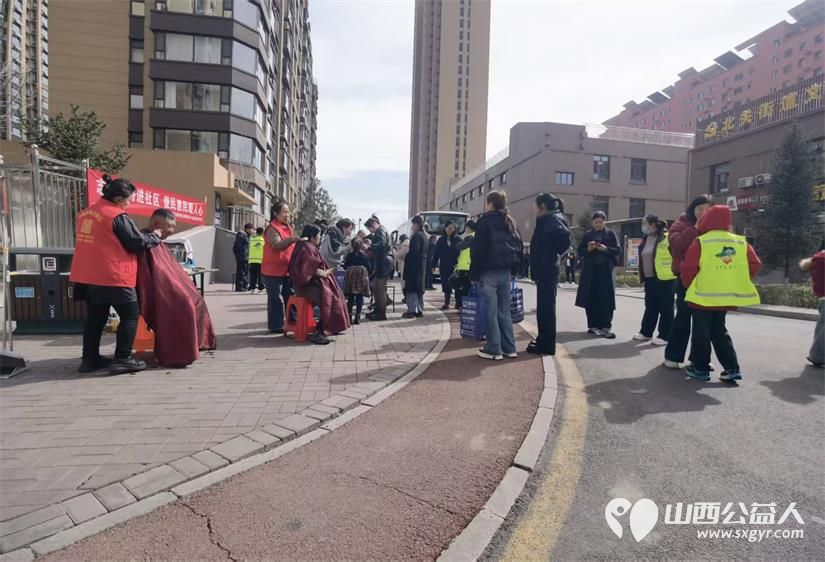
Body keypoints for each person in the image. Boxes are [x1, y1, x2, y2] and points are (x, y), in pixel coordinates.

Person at [70, 175, 161, 375]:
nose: (130, 202)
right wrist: (155, 236)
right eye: (129, 198)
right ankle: (123, 358)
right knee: (129, 315)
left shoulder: (86, 213)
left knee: (96, 318)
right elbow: (136, 243)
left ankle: (90, 359)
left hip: (89, 275)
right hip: (113, 274)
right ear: (119, 198)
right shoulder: (116, 215)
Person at [682, 205, 761, 381]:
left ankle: (700, 368)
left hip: (702, 296)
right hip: (725, 296)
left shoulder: (702, 241)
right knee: (719, 330)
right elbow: (754, 264)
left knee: (701, 332)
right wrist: (736, 279)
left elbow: (688, 268)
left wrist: (690, 285)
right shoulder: (740, 242)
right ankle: (732, 368)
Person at [137, 209, 217, 367]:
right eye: (170, 226)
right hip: (161, 290)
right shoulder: (144, 240)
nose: (172, 231)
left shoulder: (157, 241)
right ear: (157, 224)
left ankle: (198, 342)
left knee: (197, 299)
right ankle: (178, 353)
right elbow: (156, 273)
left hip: (170, 286)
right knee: (184, 303)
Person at [663, 195, 713, 369]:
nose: (703, 213)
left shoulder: (715, 227)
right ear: (692, 210)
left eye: (707, 210)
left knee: (704, 321)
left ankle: (699, 359)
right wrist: (695, 228)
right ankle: (673, 356)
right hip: (685, 278)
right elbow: (677, 246)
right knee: (683, 318)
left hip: (707, 279)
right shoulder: (680, 224)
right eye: (700, 209)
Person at [471, 191, 521, 361]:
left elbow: (478, 250)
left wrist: (474, 273)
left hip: (489, 271)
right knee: (504, 311)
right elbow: (518, 246)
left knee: (491, 311)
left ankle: (494, 348)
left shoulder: (485, 221)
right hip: (506, 272)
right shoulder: (510, 221)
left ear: (490, 203)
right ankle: (510, 347)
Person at [289, 224, 350, 344]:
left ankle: (332, 326)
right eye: (318, 236)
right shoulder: (307, 248)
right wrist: (326, 272)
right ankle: (319, 332)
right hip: (305, 286)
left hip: (308, 283)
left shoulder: (305, 246)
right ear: (312, 237)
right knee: (328, 299)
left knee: (336, 294)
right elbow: (310, 269)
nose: (320, 238)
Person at [529, 193, 570, 356]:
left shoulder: (551, 220)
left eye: (535, 206)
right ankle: (543, 340)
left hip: (546, 269)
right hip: (546, 268)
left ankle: (546, 345)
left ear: (542, 206)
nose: (534, 209)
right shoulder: (553, 218)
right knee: (544, 308)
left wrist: (554, 255)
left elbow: (565, 239)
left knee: (545, 309)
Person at [575, 211, 620, 338]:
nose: (598, 224)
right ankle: (593, 325)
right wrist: (589, 249)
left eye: (601, 222)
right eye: (596, 222)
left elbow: (617, 250)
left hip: (605, 269)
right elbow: (580, 250)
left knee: (606, 297)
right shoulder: (588, 235)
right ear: (593, 222)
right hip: (591, 270)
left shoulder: (610, 234)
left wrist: (605, 249)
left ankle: (606, 325)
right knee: (591, 296)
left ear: (604, 221)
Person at [633, 214, 676, 346]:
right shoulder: (646, 239)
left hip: (665, 278)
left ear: (653, 225)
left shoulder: (666, 237)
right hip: (650, 278)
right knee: (650, 306)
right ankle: (646, 332)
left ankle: (665, 335)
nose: (643, 226)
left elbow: (676, 254)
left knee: (666, 308)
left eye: (645, 223)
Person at [262, 200, 301, 333]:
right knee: (275, 299)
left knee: (289, 296)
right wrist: (292, 240)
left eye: (288, 213)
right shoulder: (272, 228)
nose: (287, 215)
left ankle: (292, 322)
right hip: (272, 271)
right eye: (284, 212)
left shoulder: (287, 227)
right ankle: (276, 326)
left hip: (286, 270)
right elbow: (276, 245)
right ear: (275, 213)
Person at [364, 215, 393, 321]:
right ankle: (378, 310)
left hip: (383, 261)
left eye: (370, 228)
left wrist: (370, 247)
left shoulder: (380, 231)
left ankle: (381, 312)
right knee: (376, 286)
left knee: (380, 288)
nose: (370, 231)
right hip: (383, 261)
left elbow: (382, 244)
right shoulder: (381, 230)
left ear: (374, 224)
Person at [799, 248, 825, 368]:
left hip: (821, 298)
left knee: (821, 328)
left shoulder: (818, 260)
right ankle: (817, 356)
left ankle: (817, 355)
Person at [403, 215, 429, 318]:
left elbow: (414, 252)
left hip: (413, 266)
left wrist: (407, 257)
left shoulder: (416, 236)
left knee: (411, 289)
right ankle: (419, 310)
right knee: (419, 290)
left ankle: (412, 310)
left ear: (417, 224)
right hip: (422, 265)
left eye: (413, 224)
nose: (412, 226)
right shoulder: (425, 236)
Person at [343, 238, 372, 325]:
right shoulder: (365, 256)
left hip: (351, 282)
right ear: (361, 246)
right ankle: (357, 317)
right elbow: (369, 268)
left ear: (352, 246)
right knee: (360, 298)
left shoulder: (349, 256)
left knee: (351, 298)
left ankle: (349, 317)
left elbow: (345, 267)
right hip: (361, 282)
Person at [433, 221, 461, 310]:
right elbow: (436, 253)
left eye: (452, 228)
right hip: (444, 266)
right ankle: (446, 302)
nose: (450, 230)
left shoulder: (458, 239)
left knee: (457, 284)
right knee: (445, 283)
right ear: (444, 228)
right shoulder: (441, 240)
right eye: (448, 228)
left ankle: (458, 303)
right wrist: (433, 265)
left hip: (455, 266)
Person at [452, 219, 476, 310]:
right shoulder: (476, 237)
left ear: (468, 228)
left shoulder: (470, 237)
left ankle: (463, 306)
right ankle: (463, 306)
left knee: (464, 289)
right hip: (467, 267)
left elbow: (459, 246)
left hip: (466, 267)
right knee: (466, 288)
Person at [233, 223, 254, 291]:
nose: (252, 231)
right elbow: (236, 247)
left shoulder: (246, 236)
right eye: (251, 229)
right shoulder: (241, 236)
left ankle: (244, 286)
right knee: (241, 273)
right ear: (247, 229)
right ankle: (240, 287)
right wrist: (239, 255)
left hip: (246, 257)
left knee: (245, 272)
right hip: (242, 258)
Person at [248, 227, 265, 294]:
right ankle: (260, 288)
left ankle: (252, 288)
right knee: (260, 275)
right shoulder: (263, 241)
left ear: (256, 232)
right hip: (260, 260)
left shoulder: (251, 240)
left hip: (252, 260)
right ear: (262, 233)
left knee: (253, 275)